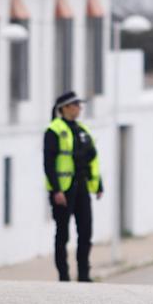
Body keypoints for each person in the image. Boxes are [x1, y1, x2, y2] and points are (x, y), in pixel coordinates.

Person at [45, 91, 103, 282]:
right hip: (63, 190)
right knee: (62, 234)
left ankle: (84, 274)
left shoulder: (82, 130)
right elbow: (49, 163)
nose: (79, 108)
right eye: (75, 104)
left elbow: (92, 160)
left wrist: (98, 184)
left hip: (82, 187)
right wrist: (56, 190)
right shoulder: (54, 130)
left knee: (85, 231)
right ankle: (63, 275)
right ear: (65, 108)